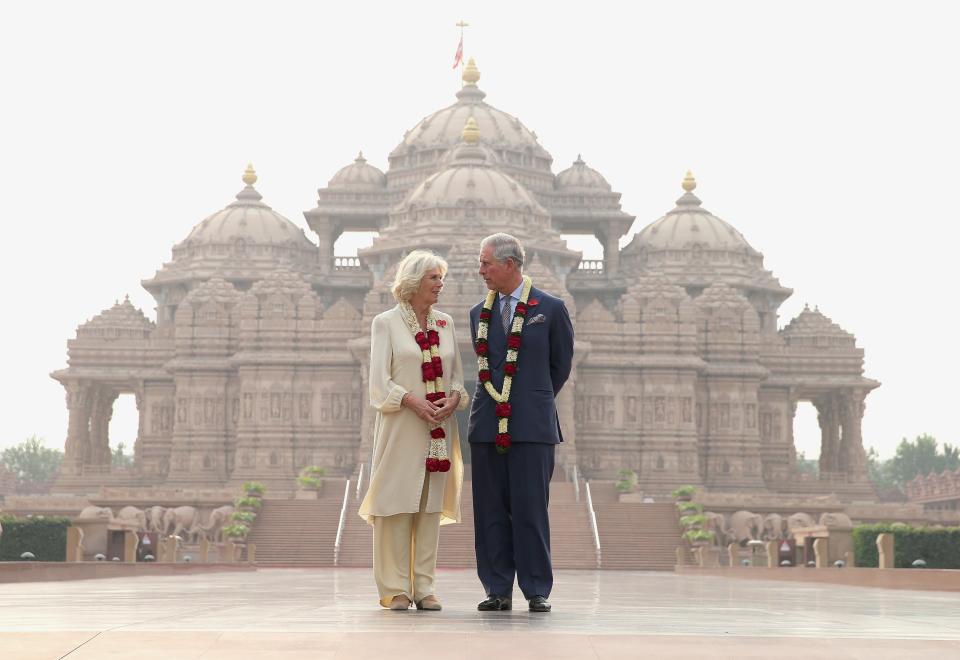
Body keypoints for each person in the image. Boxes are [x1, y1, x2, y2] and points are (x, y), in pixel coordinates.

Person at [468, 233, 574, 613]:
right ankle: (497, 587)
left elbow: (559, 368)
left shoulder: (550, 308)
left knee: (530, 508)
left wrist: (529, 397)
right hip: (486, 424)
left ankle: (536, 588)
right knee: (489, 510)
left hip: (532, 425)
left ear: (510, 264)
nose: (480, 271)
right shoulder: (477, 312)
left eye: (486, 263)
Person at [359, 250, 469, 611]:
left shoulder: (445, 324)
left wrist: (453, 399)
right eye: (434, 278)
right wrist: (412, 401)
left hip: (438, 426)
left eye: (442, 278)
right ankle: (395, 588)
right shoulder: (386, 323)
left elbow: (456, 377)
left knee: (428, 506)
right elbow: (379, 383)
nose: (441, 284)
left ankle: (424, 587)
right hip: (401, 425)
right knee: (395, 503)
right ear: (413, 282)